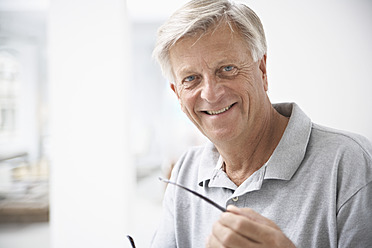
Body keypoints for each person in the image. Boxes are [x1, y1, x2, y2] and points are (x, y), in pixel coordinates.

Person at [151, 0, 372, 247]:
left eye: (227, 68)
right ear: (177, 94)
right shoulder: (185, 171)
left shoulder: (350, 162)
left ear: (262, 70)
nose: (211, 94)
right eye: (191, 79)